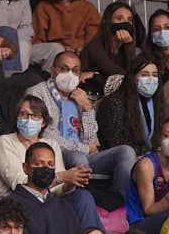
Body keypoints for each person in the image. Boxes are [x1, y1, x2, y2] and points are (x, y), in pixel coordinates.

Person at [26, 50, 136, 197]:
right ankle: (84, 201)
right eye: (64, 69)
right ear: (52, 72)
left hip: (84, 156)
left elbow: (93, 142)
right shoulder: (37, 93)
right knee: (79, 157)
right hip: (54, 155)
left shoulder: (80, 96)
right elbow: (47, 135)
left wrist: (87, 108)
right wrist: (84, 148)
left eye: (75, 71)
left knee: (126, 152)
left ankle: (120, 205)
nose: (70, 75)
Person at [0, 97, 99, 228]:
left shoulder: (51, 144)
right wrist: (62, 176)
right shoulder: (4, 141)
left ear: (43, 122)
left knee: (83, 197)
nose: (28, 119)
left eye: (34, 116)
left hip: (46, 201)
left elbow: (56, 189)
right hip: (13, 204)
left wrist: (69, 183)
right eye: (23, 114)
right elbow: (18, 184)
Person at [126, 116, 169, 234]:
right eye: (166, 135)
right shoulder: (146, 166)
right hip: (141, 225)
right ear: (159, 139)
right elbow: (148, 210)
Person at [31, 0, 99, 57]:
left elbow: (94, 38)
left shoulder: (88, 8)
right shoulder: (43, 8)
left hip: (81, 55)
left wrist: (82, 48)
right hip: (54, 56)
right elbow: (37, 41)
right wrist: (61, 50)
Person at [96, 58, 160, 155]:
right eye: (144, 75)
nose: (151, 79)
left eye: (154, 75)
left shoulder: (158, 103)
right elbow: (117, 144)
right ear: (133, 77)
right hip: (119, 158)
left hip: (148, 158)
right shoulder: (113, 103)